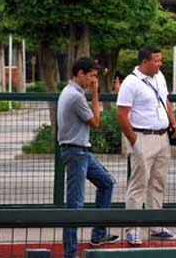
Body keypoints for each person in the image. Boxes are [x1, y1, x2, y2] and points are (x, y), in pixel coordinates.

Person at [116, 46, 176, 245]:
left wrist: (173, 124)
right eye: (156, 60)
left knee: (157, 182)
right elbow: (121, 114)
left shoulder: (159, 77)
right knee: (139, 184)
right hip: (143, 136)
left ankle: (156, 225)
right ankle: (132, 228)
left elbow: (166, 100)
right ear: (144, 61)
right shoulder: (131, 82)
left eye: (160, 60)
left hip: (162, 137)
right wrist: (134, 142)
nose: (159, 64)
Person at [57, 57, 118, 258]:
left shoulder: (71, 92)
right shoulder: (76, 96)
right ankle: (70, 253)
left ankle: (98, 234)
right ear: (80, 74)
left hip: (81, 150)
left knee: (106, 183)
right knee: (75, 205)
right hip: (76, 152)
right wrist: (95, 94)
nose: (94, 80)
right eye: (91, 76)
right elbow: (96, 122)